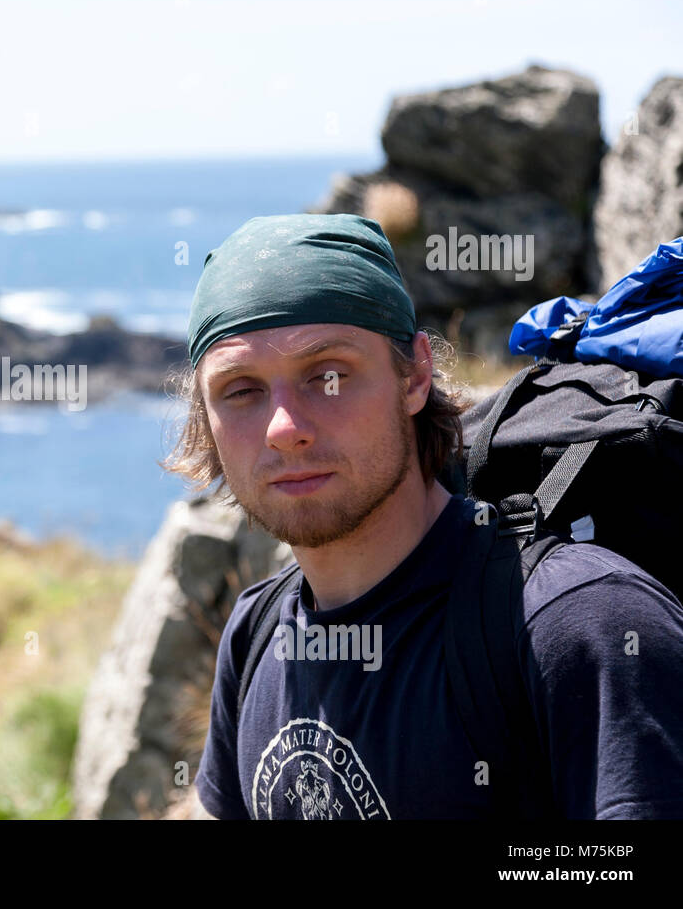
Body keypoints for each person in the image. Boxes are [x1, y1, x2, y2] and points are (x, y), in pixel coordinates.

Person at [165, 213, 683, 819]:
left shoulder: (576, 623)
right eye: (242, 390)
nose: (285, 429)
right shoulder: (255, 637)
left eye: (328, 377)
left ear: (414, 376)